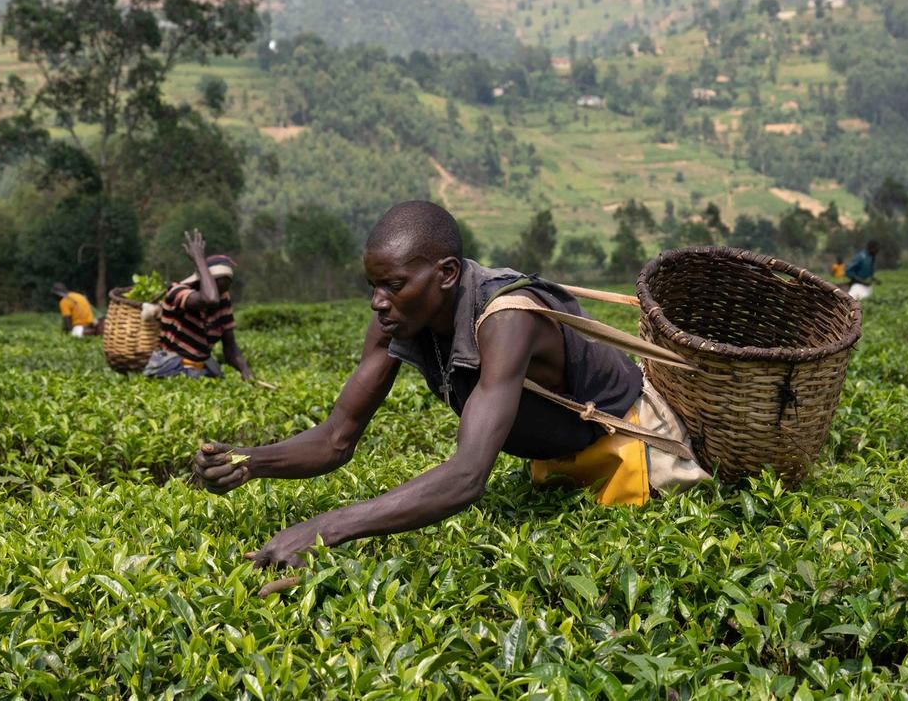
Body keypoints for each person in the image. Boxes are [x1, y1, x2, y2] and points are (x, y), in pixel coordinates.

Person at [193, 201, 707, 580]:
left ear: (445, 275)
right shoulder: (396, 322)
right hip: (559, 467)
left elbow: (465, 477)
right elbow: (335, 440)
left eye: (393, 285)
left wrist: (325, 528)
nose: (378, 302)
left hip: (634, 453)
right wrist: (249, 460)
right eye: (373, 286)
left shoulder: (508, 319)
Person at [143, 229, 254, 381]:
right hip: (170, 368)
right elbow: (209, 299)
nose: (220, 295)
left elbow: (230, 347)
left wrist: (245, 371)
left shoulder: (223, 300)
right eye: (217, 287)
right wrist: (198, 259)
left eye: (224, 289)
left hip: (202, 367)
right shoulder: (177, 292)